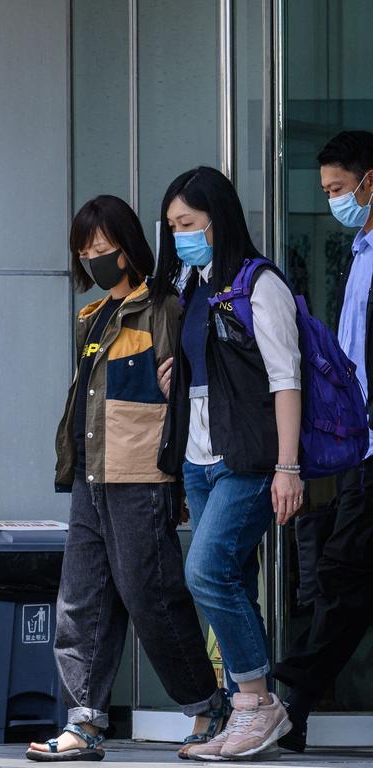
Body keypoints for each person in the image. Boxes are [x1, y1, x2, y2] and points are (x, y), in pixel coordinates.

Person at [27, 196, 226, 763]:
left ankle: (204, 705)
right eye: (85, 251)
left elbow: (183, 387)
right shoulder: (91, 318)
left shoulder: (163, 306)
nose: (95, 259)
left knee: (150, 593)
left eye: (104, 248)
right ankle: (85, 721)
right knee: (81, 599)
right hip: (93, 475)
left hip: (142, 475)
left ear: (129, 245)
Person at [154, 167, 303, 761]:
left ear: (219, 219)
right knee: (230, 579)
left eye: (187, 224)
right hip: (199, 456)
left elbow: (285, 380)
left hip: (248, 457)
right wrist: (180, 377)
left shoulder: (258, 283)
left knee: (206, 571)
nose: (179, 235)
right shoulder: (196, 283)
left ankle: (256, 705)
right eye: (172, 227)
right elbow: (213, 368)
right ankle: (249, 710)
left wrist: (287, 468)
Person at [272, 130, 373, 753]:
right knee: (343, 577)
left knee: (340, 574)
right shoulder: (360, 252)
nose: (334, 201)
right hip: (361, 447)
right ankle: (297, 704)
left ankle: (294, 703)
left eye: (339, 189)